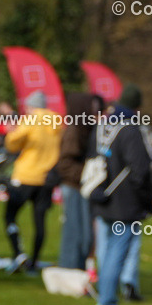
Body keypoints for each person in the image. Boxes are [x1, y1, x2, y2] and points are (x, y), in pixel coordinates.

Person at [91, 85, 152, 305]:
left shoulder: (102, 125)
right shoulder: (131, 129)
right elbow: (140, 170)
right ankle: (106, 304)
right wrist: (148, 201)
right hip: (125, 203)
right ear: (137, 107)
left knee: (106, 252)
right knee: (116, 255)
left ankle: (104, 299)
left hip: (102, 197)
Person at [3, 90, 63, 273]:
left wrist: (10, 132)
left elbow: (12, 143)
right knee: (40, 222)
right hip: (47, 178)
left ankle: (18, 253)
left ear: (31, 106)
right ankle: (34, 262)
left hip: (26, 176)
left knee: (10, 215)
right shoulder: (57, 122)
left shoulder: (30, 120)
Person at [55, 92, 104, 270]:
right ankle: (69, 268)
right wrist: (89, 173)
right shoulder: (74, 131)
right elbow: (65, 164)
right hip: (73, 186)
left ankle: (78, 267)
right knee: (74, 231)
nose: (95, 112)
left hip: (82, 186)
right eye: (92, 108)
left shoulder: (85, 129)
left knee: (85, 234)